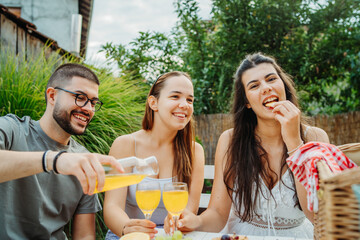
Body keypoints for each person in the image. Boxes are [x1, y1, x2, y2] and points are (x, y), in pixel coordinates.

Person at [165, 53, 330, 238]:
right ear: (247, 102)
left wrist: (295, 144)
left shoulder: (315, 138)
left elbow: (317, 215)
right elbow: (218, 213)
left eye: (271, 79)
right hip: (242, 235)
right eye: (254, 85)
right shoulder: (230, 140)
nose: (266, 88)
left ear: (283, 86)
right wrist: (195, 221)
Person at [0, 63, 124, 239]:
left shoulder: (84, 160)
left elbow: (84, 236)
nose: (89, 108)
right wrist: (54, 160)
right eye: (80, 97)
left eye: (94, 102)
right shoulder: (12, 129)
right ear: (52, 96)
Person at [103, 71, 205, 239]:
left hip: (171, 235)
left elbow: (189, 210)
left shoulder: (194, 151)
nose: (185, 104)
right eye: (175, 96)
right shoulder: (125, 144)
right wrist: (130, 230)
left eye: (189, 100)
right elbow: (112, 207)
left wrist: (177, 224)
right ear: (153, 102)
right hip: (128, 232)